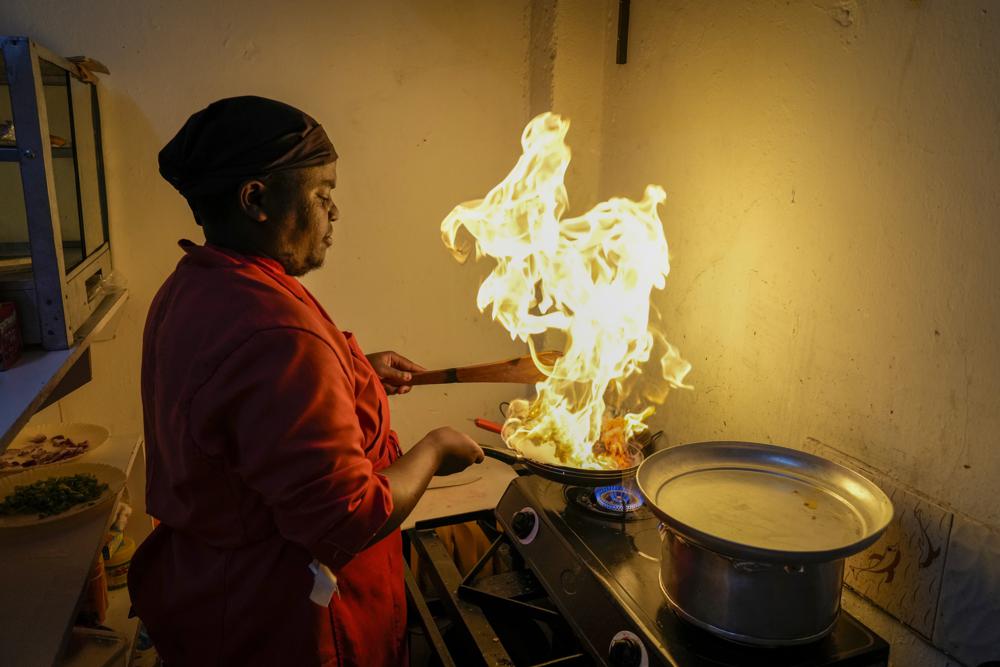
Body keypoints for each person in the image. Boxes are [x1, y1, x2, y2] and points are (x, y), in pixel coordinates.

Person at [129, 95, 484, 666]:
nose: (334, 213)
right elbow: (348, 516)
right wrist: (437, 447)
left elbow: (244, 406)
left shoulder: (198, 283)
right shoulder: (278, 332)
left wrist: (352, 370)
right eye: (323, 195)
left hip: (212, 595)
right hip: (282, 619)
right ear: (256, 199)